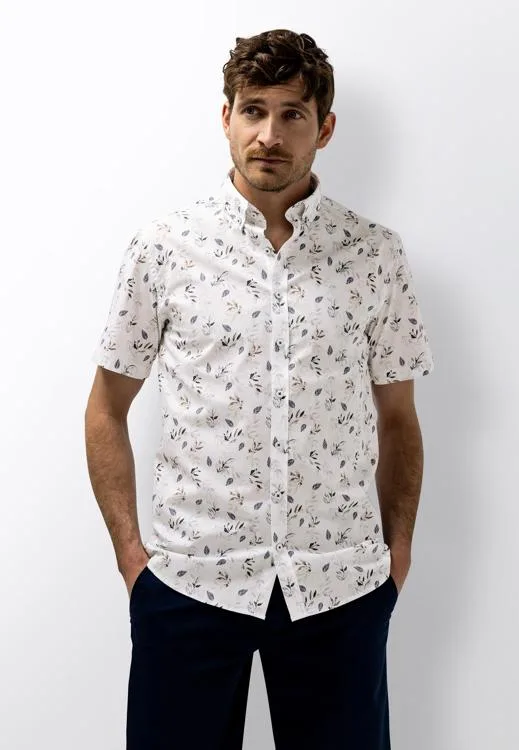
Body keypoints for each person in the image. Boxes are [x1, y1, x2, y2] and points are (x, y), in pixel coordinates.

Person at [85, 28, 434, 750]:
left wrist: (395, 554)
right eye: (253, 110)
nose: (269, 134)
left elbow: (398, 417)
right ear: (226, 118)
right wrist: (132, 559)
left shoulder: (374, 255)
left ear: (324, 128)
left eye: (292, 114)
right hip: (189, 583)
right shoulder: (165, 248)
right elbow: (105, 408)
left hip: (339, 588)